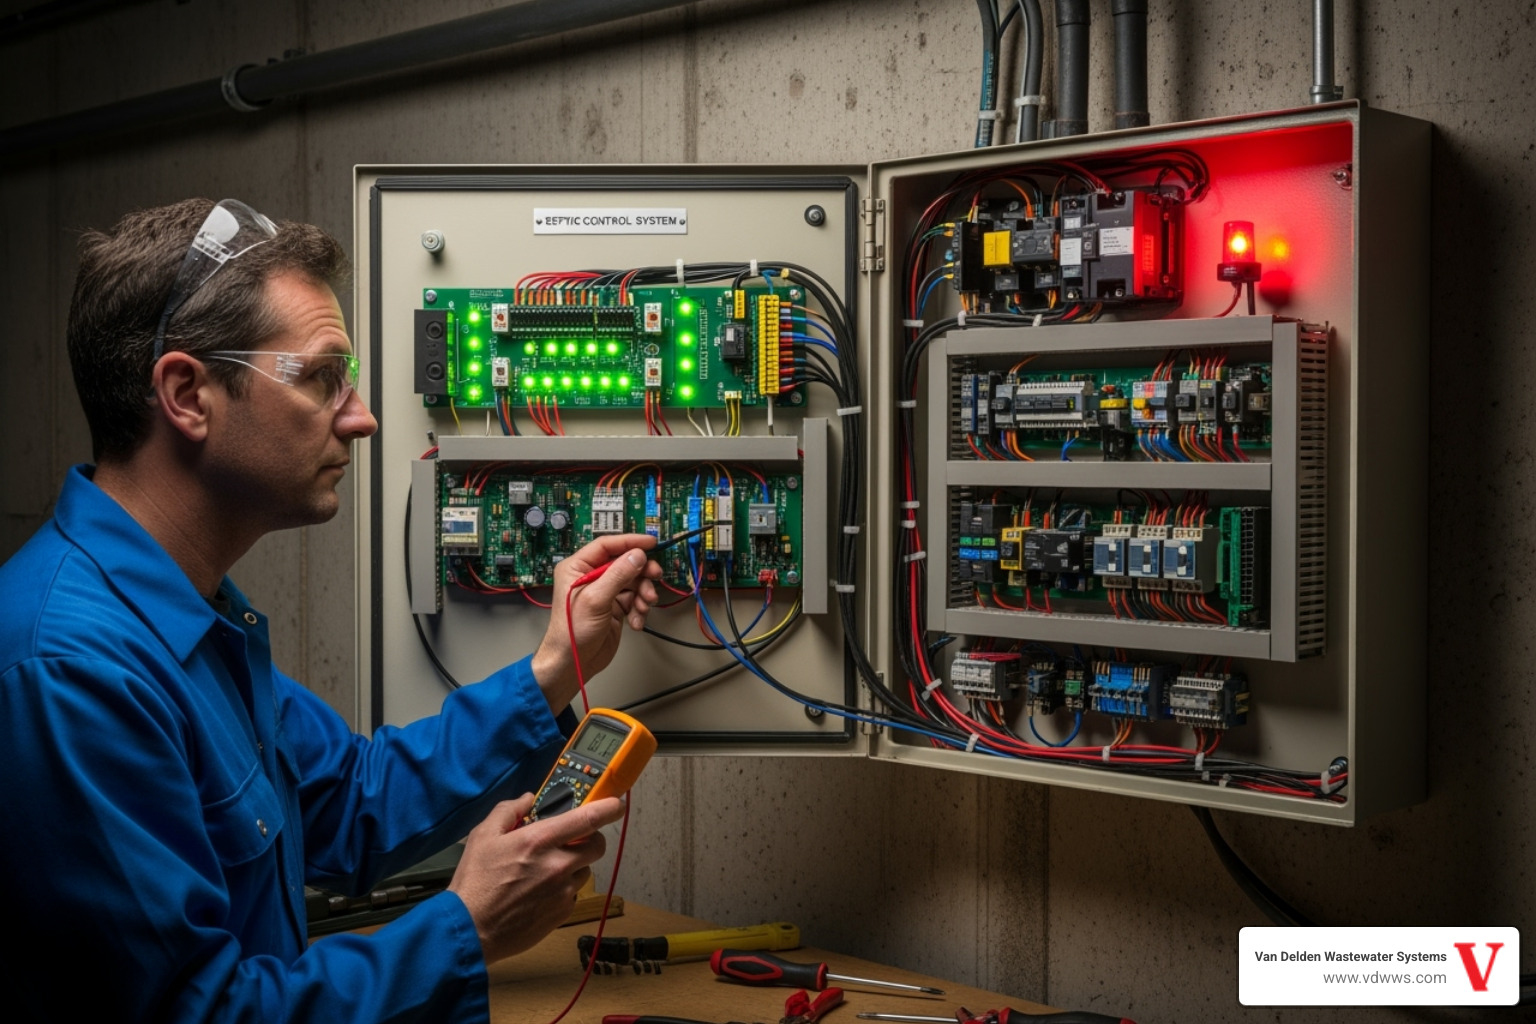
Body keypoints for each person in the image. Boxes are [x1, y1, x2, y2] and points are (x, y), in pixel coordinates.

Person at [0, 198, 663, 1022]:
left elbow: (354, 802)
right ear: (187, 393)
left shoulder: (188, 616)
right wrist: (463, 928)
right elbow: (200, 1013)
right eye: (320, 377)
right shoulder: (72, 672)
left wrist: (559, 665)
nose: (362, 416)